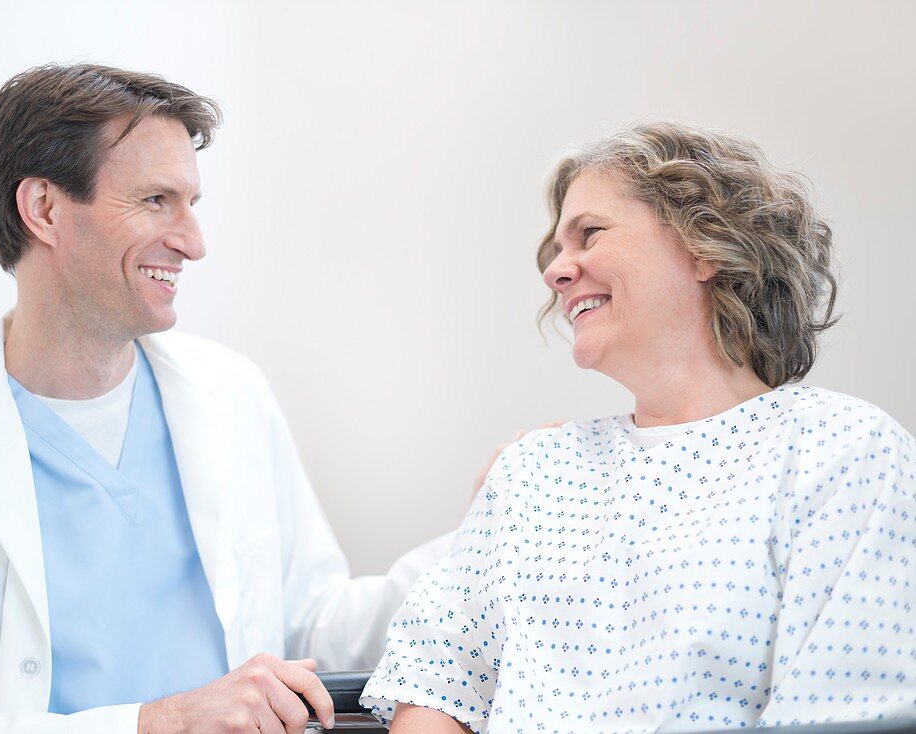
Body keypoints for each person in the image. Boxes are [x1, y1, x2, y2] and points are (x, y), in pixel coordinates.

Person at [0, 63, 450, 734]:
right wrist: (157, 722)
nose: (193, 242)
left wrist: (491, 534)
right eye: (156, 201)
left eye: (191, 205)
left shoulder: (231, 394)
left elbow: (313, 625)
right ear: (44, 210)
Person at [361, 122, 916, 733]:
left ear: (704, 243)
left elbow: (844, 711)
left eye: (589, 235)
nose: (556, 273)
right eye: (555, 252)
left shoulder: (841, 452)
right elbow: (435, 689)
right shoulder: (531, 471)